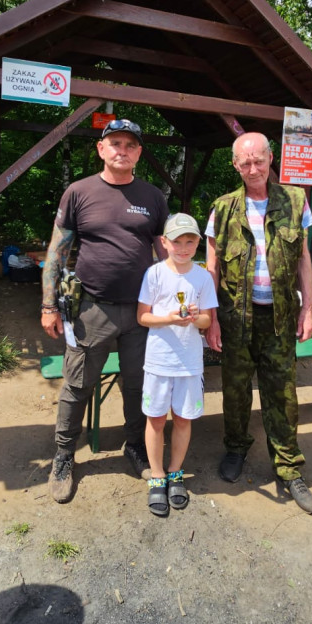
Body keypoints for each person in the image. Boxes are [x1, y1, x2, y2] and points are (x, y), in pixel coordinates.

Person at [41, 119, 169, 503]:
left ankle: (136, 446)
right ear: (101, 149)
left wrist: (175, 299)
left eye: (130, 145)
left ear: (139, 153)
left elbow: (164, 253)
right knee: (78, 384)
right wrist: (48, 305)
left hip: (142, 312)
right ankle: (64, 455)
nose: (122, 150)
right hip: (91, 309)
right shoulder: (78, 192)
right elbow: (57, 251)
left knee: (138, 384)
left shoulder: (153, 197)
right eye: (115, 143)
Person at [205, 132, 312, 515]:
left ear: (271, 158)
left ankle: (288, 467)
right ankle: (236, 448)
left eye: (259, 160)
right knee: (236, 391)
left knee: (282, 393)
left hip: (280, 318)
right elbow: (212, 268)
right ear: (235, 165)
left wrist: (308, 309)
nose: (253, 168)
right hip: (236, 318)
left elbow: (303, 258)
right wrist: (211, 319)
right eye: (245, 162)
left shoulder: (296, 200)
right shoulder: (223, 208)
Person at [137, 213, 218, 516]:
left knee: (183, 420)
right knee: (156, 419)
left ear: (198, 243)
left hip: (189, 363)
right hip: (159, 361)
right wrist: (169, 319)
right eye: (177, 242)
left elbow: (207, 320)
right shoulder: (154, 274)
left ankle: (175, 472)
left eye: (190, 242)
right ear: (164, 242)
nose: (183, 248)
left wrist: (195, 318)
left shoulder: (203, 277)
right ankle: (157, 475)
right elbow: (142, 317)